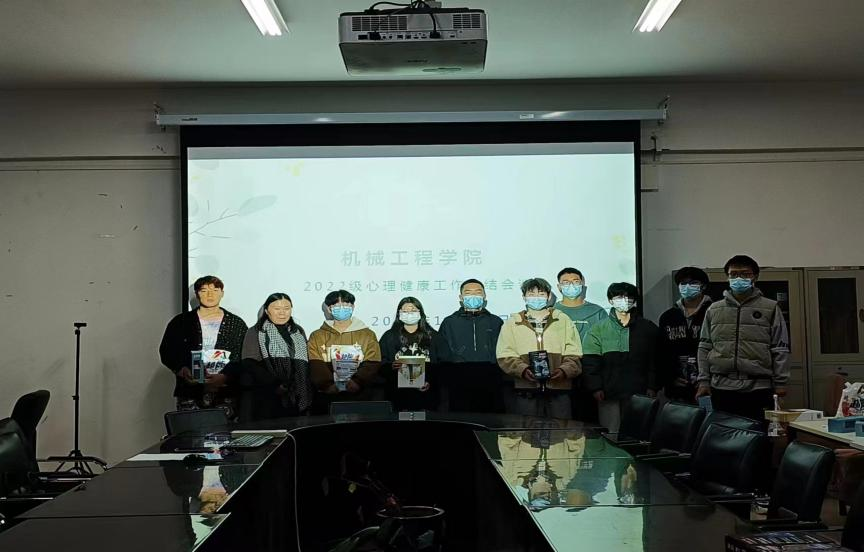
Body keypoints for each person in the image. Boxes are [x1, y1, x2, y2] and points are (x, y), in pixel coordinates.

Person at [696, 255, 790, 421]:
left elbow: (780, 348)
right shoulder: (714, 309)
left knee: (758, 433)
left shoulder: (770, 308)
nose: (739, 278)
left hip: (758, 387)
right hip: (722, 387)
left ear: (755, 277)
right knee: (723, 433)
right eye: (734, 274)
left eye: (745, 274)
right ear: (727, 277)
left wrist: (780, 382)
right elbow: (704, 347)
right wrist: (704, 381)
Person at [159, 275, 248, 417]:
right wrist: (181, 369)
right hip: (190, 392)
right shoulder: (180, 322)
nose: (210, 295)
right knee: (190, 430)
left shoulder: (236, 324)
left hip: (225, 393)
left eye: (215, 290)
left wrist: (226, 376)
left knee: (224, 430)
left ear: (222, 293)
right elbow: (166, 351)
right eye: (204, 290)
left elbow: (244, 356)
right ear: (197, 294)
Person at [496, 278, 582, 418]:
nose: (536, 298)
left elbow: (574, 352)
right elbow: (505, 354)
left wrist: (564, 370)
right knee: (527, 429)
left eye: (541, 294)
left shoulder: (563, 320)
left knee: (561, 428)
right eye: (531, 294)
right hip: (526, 390)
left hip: (559, 388)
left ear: (548, 296)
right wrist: (522, 370)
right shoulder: (512, 323)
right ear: (524, 297)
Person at [582, 282, 660, 434]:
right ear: (610, 300)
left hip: (640, 392)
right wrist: (596, 387)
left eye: (628, 297)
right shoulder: (597, 329)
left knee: (637, 433)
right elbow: (590, 363)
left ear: (634, 300)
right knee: (611, 432)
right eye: (619, 297)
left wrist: (653, 386)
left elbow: (655, 361)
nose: (624, 300)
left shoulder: (648, 328)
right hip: (608, 393)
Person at [241, 293, 313, 419]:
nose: (282, 313)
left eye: (286, 308)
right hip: (267, 394)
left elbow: (304, 362)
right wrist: (275, 384)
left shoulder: (298, 331)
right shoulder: (256, 331)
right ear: (266, 311)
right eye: (277, 309)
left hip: (298, 392)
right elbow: (249, 362)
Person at [437, 279, 505, 412]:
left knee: (492, 419)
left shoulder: (495, 321)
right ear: (461, 297)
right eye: (468, 293)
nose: (473, 296)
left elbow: (503, 351)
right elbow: (442, 354)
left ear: (484, 296)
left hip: (490, 381)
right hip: (458, 382)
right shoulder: (449, 322)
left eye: (478, 292)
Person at [308, 290, 382, 410]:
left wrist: (357, 381)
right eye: (337, 305)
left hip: (360, 395)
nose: (341, 308)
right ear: (329, 309)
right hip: (328, 397)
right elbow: (315, 363)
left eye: (346, 304)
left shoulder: (367, 334)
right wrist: (328, 385)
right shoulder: (317, 336)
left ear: (352, 307)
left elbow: (372, 362)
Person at [554, 267, 609, 422]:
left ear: (582, 284)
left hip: (590, 372)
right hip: (561, 372)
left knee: (589, 419)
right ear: (559, 287)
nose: (571, 286)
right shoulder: (552, 312)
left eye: (575, 281)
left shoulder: (597, 311)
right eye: (566, 282)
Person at [378, 297, 444, 411]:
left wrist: (429, 381)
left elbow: (443, 364)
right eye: (405, 311)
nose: (409, 314)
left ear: (420, 313)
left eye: (413, 310)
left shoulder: (433, 337)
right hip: (397, 397)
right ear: (399, 314)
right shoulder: (389, 337)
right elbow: (380, 364)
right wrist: (391, 367)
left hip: (427, 397)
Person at [658, 267, 713, 404]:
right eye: (683, 283)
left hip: (709, 386)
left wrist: (706, 379)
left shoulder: (715, 312)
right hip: (677, 387)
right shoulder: (668, 316)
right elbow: (661, 351)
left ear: (703, 286)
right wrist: (670, 378)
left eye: (693, 283)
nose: (687, 287)